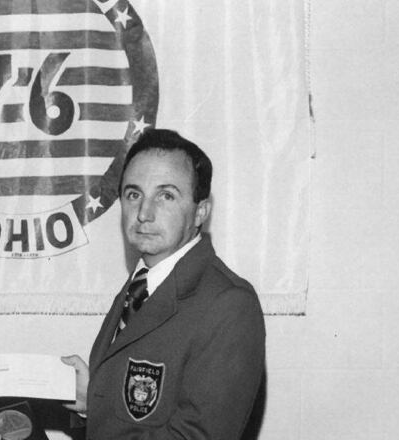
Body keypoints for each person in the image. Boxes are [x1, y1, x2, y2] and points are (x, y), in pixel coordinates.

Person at [62, 129, 265, 439]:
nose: (144, 213)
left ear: (201, 211)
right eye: (133, 194)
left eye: (166, 195)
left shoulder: (229, 303)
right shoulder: (142, 283)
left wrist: (98, 412)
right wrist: (93, 400)